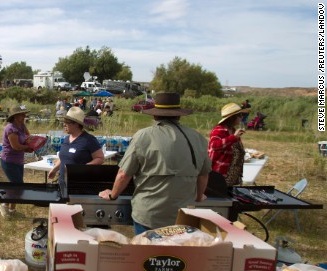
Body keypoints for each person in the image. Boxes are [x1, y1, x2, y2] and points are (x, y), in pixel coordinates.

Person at [98, 93, 211, 234]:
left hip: (149, 214)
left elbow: (123, 174)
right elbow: (203, 174)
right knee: (177, 255)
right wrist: (199, 197)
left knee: (147, 255)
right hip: (182, 215)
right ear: (179, 115)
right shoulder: (197, 137)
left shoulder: (143, 136)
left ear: (155, 115)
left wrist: (112, 195)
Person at [48, 106, 104, 193]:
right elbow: (64, 158)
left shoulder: (89, 139)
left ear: (76, 124)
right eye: (64, 121)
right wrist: (54, 169)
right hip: (63, 182)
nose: (64, 124)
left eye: (67, 122)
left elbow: (100, 158)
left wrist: (84, 168)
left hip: (80, 185)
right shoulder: (66, 139)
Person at [0, 104, 33, 217]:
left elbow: (28, 136)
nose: (24, 116)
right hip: (9, 161)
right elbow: (16, 146)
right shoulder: (10, 128)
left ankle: (10, 209)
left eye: (24, 114)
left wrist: (31, 140)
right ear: (15, 116)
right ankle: (6, 208)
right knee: (18, 186)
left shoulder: (21, 125)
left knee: (15, 186)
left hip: (18, 160)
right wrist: (26, 147)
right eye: (22, 114)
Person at [208, 103, 249, 186]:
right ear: (232, 117)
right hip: (219, 175)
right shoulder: (219, 130)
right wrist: (233, 137)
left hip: (231, 175)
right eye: (240, 115)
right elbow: (214, 146)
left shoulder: (232, 130)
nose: (242, 117)